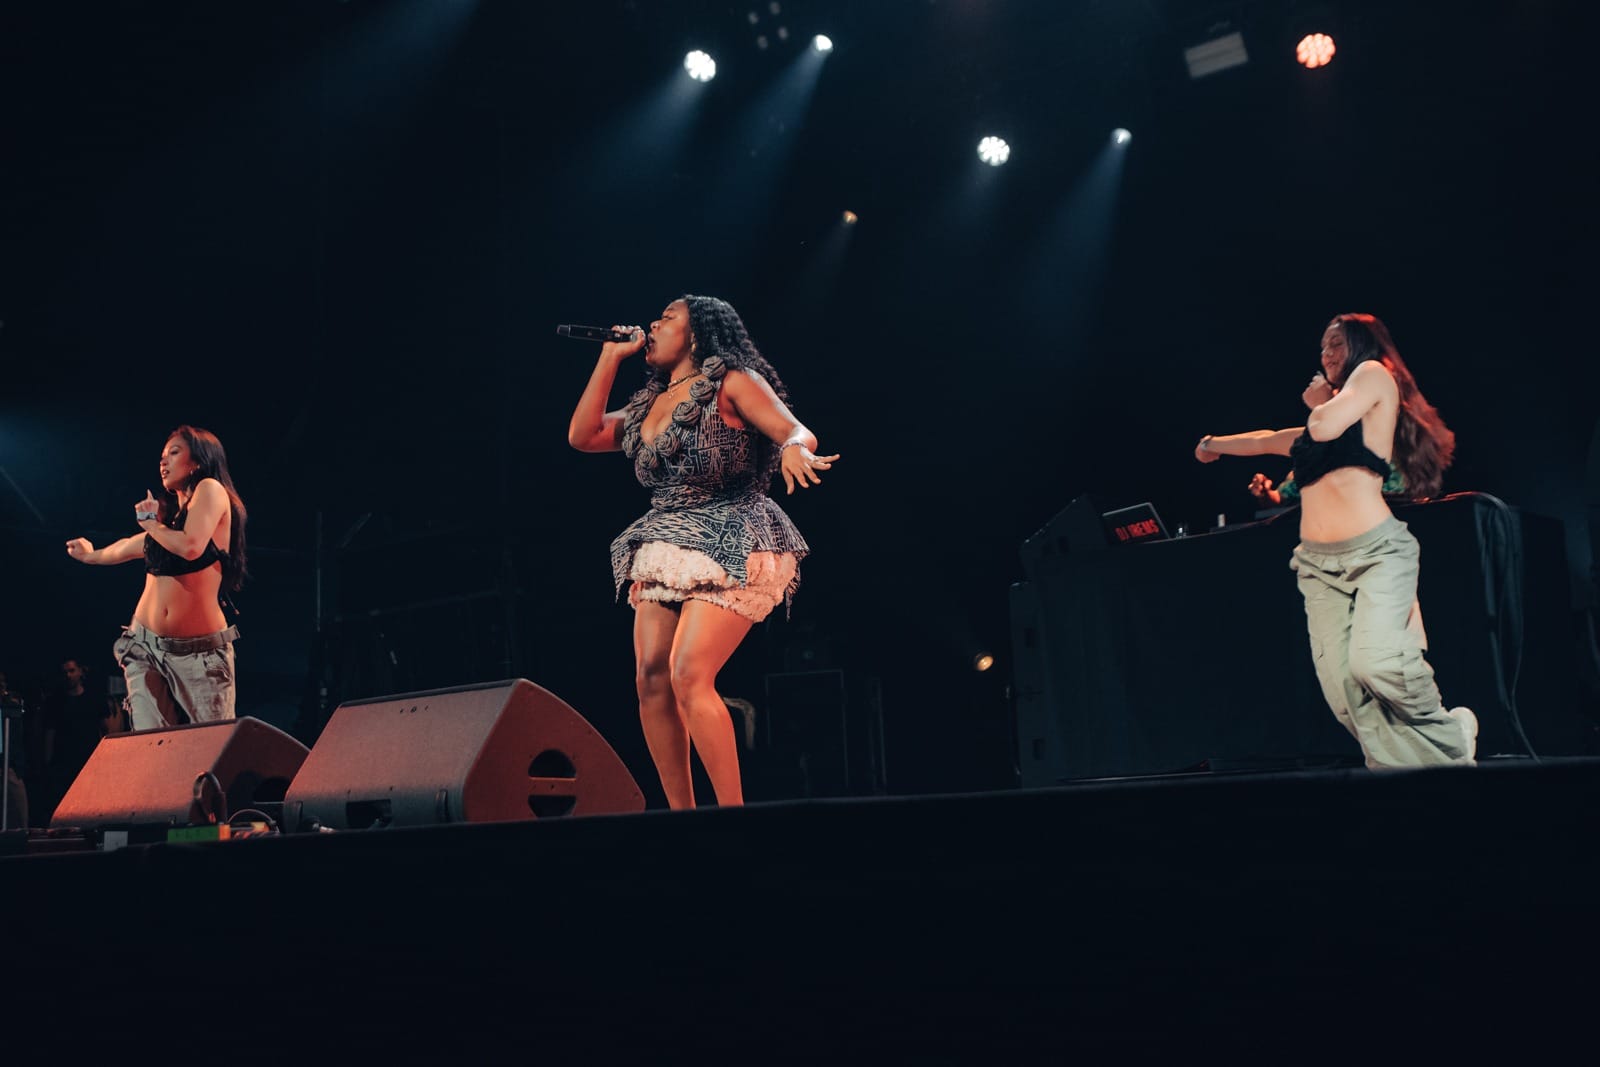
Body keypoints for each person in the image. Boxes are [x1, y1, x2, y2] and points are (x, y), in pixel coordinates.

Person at [567, 295, 839, 808]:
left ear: (696, 335)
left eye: (666, 317)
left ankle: (731, 814)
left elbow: (795, 430)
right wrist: (609, 357)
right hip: (669, 538)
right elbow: (584, 435)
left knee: (689, 674)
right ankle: (682, 815)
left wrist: (793, 449)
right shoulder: (648, 405)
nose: (652, 323)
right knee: (651, 679)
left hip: (733, 533)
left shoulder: (732, 382)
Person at [1194, 313, 1475, 769]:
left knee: (1378, 665)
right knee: (1343, 693)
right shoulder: (1317, 429)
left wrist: (1321, 400)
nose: (1326, 354)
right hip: (1317, 566)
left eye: (1336, 344)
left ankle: (1453, 732)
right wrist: (1212, 444)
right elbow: (1266, 440)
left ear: (1361, 344)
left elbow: (1324, 424)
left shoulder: (1372, 375)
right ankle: (1404, 769)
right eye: (1323, 347)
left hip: (1376, 553)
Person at [65, 426, 248, 732]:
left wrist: (151, 524)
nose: (163, 462)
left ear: (198, 460)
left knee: (212, 743)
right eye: (162, 456)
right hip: (144, 646)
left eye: (174, 453)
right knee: (152, 743)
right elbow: (128, 546)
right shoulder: (170, 525)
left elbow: (191, 547)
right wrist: (90, 555)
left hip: (198, 653)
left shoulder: (211, 489)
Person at [40, 658, 125, 821]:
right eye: (65, 672)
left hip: (89, 759)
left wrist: (107, 759)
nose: (68, 675)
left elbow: (105, 729)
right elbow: (49, 734)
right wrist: (47, 763)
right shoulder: (55, 702)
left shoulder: (94, 698)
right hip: (63, 762)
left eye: (71, 671)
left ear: (80, 672)